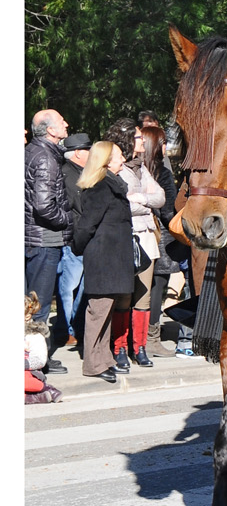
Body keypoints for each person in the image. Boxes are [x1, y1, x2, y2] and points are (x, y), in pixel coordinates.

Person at [104, 119, 166, 369]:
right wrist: (144, 203)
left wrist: (140, 198)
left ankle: (139, 347)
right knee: (123, 297)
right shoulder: (117, 169)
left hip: (148, 240)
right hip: (128, 239)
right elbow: (122, 205)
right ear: (128, 140)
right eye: (138, 137)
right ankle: (120, 347)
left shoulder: (143, 168)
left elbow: (160, 197)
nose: (142, 141)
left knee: (144, 296)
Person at [73, 140, 134, 382]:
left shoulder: (112, 184)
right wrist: (77, 247)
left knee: (106, 311)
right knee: (98, 312)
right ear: (107, 160)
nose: (124, 160)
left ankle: (104, 358)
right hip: (103, 258)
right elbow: (87, 226)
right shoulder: (100, 186)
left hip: (113, 258)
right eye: (119, 155)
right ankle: (93, 363)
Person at [24, 108, 71, 330]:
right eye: (62, 121)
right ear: (51, 130)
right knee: (38, 304)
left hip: (32, 236)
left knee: (28, 303)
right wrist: (66, 220)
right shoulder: (46, 159)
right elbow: (43, 205)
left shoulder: (31, 151)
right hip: (43, 239)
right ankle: (37, 361)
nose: (67, 124)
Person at [141, 123, 178, 356]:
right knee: (157, 288)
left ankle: (139, 338)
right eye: (163, 142)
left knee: (141, 290)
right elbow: (168, 211)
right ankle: (152, 338)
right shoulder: (162, 173)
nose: (165, 147)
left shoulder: (136, 169)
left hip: (142, 235)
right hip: (161, 236)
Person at [58, 132, 91, 348]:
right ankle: (68, 329)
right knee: (69, 287)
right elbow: (75, 208)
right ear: (78, 153)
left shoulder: (81, 173)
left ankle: (75, 326)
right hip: (74, 240)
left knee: (82, 287)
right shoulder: (68, 175)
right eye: (88, 149)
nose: (91, 153)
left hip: (83, 238)